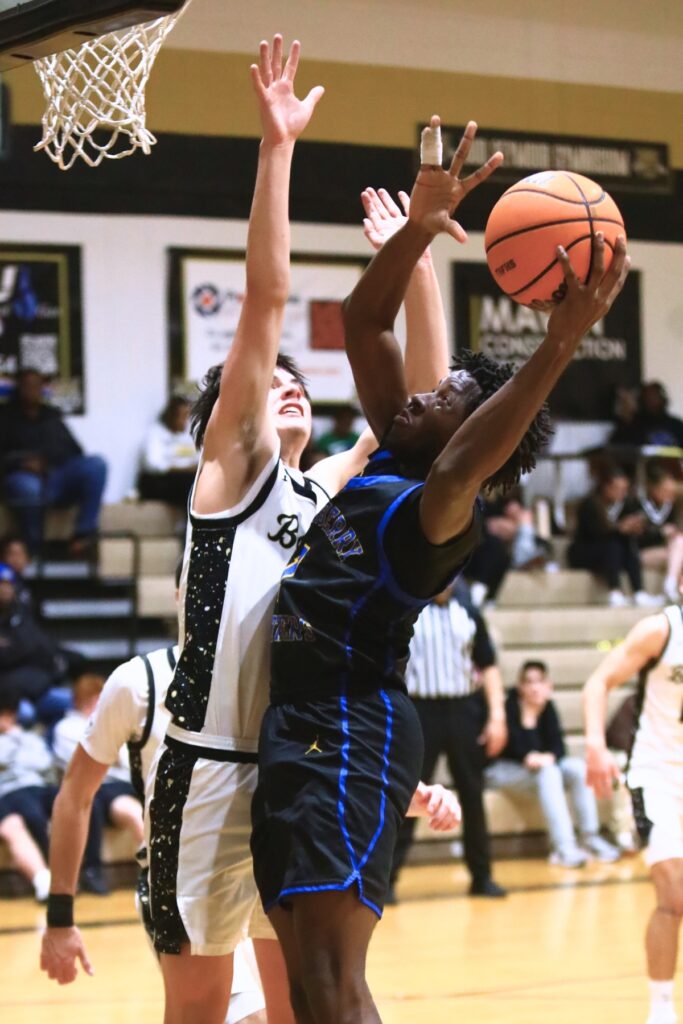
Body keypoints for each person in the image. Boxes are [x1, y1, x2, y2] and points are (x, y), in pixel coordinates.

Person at [250, 114, 629, 1024]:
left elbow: (464, 461)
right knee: (310, 986)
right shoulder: (394, 458)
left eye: (446, 399)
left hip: (350, 729)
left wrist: (559, 341)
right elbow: (363, 319)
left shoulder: (437, 509)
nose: (419, 395)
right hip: (297, 720)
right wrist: (420, 228)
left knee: (334, 982)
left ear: (465, 436)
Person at [146, 39, 455, 1024]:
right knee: (197, 1013)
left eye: (294, 378)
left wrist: (412, 262)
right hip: (203, 772)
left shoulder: (320, 488)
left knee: (304, 1005)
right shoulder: (227, 474)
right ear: (216, 429)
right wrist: (276, 150)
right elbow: (266, 300)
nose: (283, 379)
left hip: (295, 761)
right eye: (261, 379)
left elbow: (432, 417)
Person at [39, 586, 266, 1024]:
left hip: (265, 876)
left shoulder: (267, 675)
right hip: (187, 884)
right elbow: (75, 796)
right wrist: (60, 916)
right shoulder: (136, 683)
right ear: (181, 594)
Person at [584, 585, 683, 1024]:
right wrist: (594, 746)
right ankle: (661, 1009)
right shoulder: (660, 630)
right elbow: (597, 683)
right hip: (656, 774)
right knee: (674, 894)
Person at [390, 585, 508, 899]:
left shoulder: (469, 612)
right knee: (409, 793)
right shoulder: (409, 609)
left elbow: (489, 665)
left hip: (463, 709)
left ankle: (481, 877)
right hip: (419, 711)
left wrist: (497, 715)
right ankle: (386, 880)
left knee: (472, 794)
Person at [485, 660, 620, 867]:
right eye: (528, 682)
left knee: (577, 768)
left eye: (539, 681)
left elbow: (558, 748)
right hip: (503, 770)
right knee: (549, 772)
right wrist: (530, 748)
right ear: (520, 687)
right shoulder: (509, 707)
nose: (534, 687)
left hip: (537, 770)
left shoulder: (548, 708)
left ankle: (589, 838)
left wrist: (546, 757)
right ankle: (564, 848)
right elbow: (512, 750)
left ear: (548, 685)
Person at [52, 672, 145, 895]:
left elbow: (127, 760)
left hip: (125, 783)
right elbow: (91, 760)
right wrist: (110, 752)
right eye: (97, 698)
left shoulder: (114, 724)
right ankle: (94, 871)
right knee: (133, 814)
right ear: (85, 700)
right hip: (101, 786)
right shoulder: (66, 727)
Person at [0, 369, 107, 554]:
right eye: (28, 385)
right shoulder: (5, 416)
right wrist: (21, 463)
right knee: (28, 487)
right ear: (19, 388)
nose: (33, 390)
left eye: (38, 385)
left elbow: (76, 451)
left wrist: (52, 462)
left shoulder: (51, 416)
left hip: (56, 474)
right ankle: (33, 549)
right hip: (21, 477)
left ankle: (82, 534)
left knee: (96, 465)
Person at [568, 465, 661, 608]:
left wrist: (636, 527)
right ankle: (615, 592)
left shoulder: (626, 504)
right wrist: (619, 528)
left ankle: (639, 592)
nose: (623, 493)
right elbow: (594, 534)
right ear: (606, 487)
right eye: (618, 489)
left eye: (625, 489)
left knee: (627, 545)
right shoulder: (590, 504)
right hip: (585, 550)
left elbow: (643, 527)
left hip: (614, 550)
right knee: (613, 545)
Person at [0, 562, 78, 727]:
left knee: (71, 704)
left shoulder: (23, 615)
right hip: (7, 695)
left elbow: (41, 648)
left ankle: (49, 750)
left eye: (9, 585)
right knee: (26, 715)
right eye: (1, 584)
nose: (5, 589)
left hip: (36, 685)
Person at [0, 687, 56, 902]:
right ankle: (44, 880)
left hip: (38, 786)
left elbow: (42, 762)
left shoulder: (29, 737)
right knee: (25, 813)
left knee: (72, 801)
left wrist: (15, 737)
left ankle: (82, 872)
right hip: (8, 792)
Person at [635, 463, 683, 604]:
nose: (669, 494)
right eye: (664, 490)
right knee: (679, 549)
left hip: (667, 551)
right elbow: (638, 536)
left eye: (670, 490)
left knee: (679, 545)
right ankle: (670, 586)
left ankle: (671, 584)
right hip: (642, 552)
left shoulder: (671, 506)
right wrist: (661, 532)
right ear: (653, 488)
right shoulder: (638, 504)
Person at [138, 396, 199, 508]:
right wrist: (185, 469)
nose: (186, 420)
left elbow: (198, 457)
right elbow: (154, 465)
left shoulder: (188, 435)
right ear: (172, 416)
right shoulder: (156, 434)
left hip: (187, 476)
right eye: (183, 416)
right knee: (189, 483)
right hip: (160, 480)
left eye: (187, 416)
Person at [0, 534, 35, 614]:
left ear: (28, 559)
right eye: (12, 554)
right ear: (3, 557)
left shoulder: (30, 582)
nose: (16, 559)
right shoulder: (3, 580)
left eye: (20, 554)